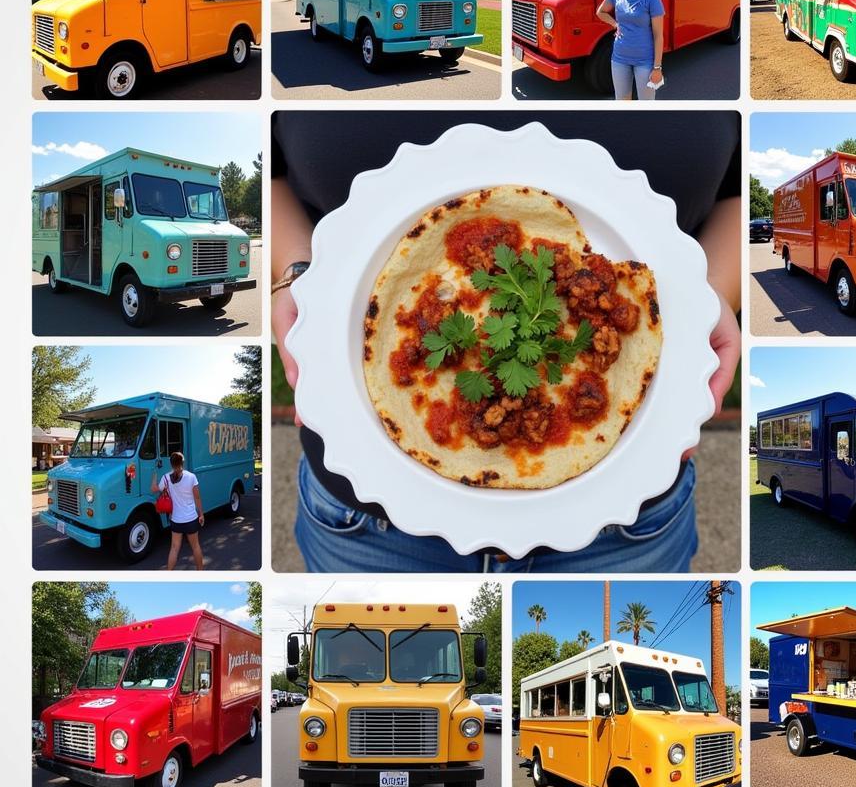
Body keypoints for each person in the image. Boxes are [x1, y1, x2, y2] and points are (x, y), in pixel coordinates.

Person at [271, 111, 741, 575]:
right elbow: (268, 175)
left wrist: (708, 290)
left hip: (630, 528)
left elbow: (738, 195)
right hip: (363, 523)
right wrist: (297, 273)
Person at [596, 0, 665, 101]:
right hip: (619, 59)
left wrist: (657, 67)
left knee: (646, 105)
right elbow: (600, 12)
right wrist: (615, 24)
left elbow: (658, 36)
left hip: (645, 62)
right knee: (622, 101)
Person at [151, 451, 205, 571]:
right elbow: (197, 497)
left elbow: (154, 489)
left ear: (171, 464)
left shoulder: (165, 478)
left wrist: (154, 476)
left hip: (176, 520)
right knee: (195, 547)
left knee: (174, 549)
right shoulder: (191, 477)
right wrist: (201, 514)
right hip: (191, 519)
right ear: (183, 462)